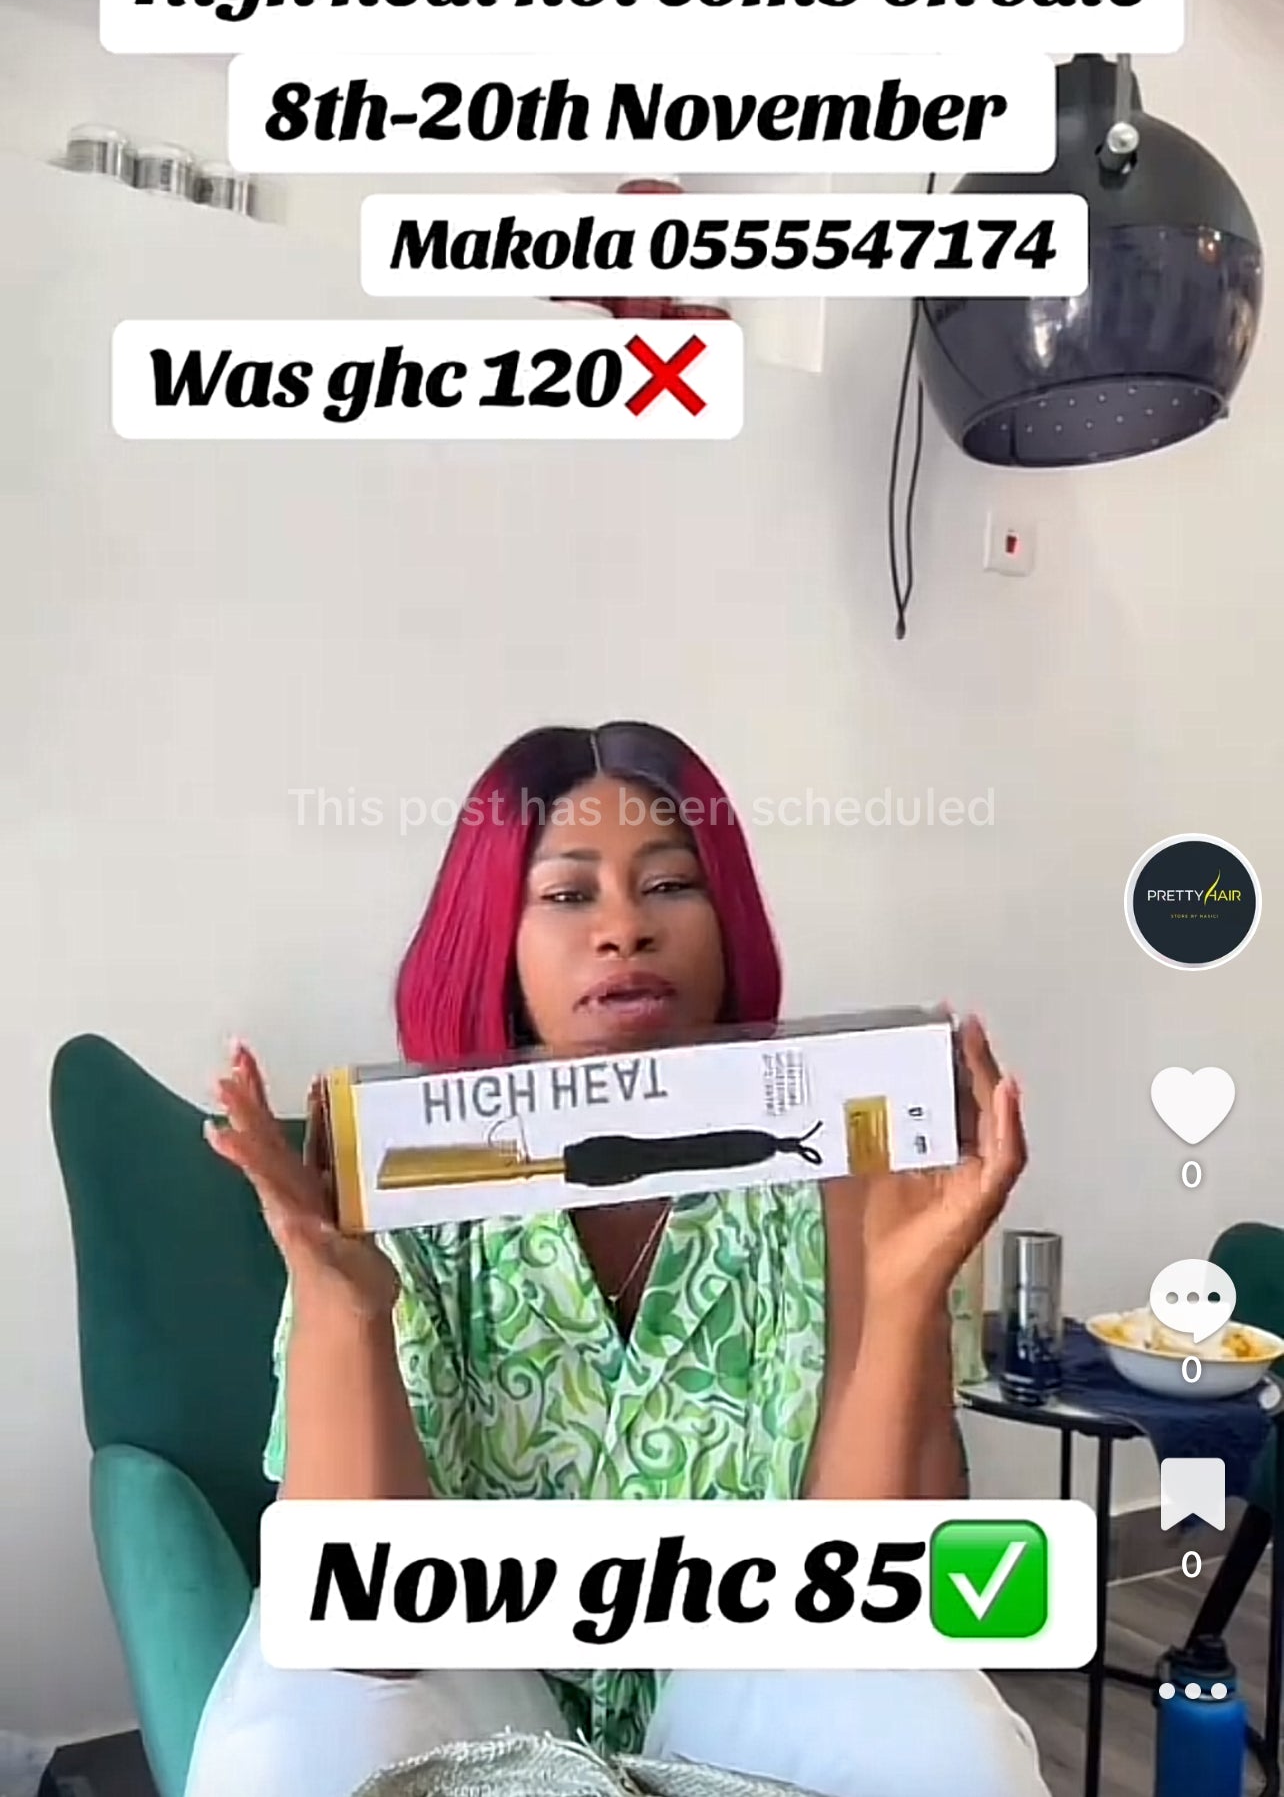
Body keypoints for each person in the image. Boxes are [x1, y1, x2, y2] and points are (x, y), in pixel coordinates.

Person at [185, 721, 1049, 1797]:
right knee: (286, 1743)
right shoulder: (397, 1174)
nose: (627, 929)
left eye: (671, 885)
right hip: (467, 1665)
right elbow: (364, 1630)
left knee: (952, 1745)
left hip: (742, 1658)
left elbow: (865, 1610)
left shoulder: (853, 1163)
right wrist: (342, 1303)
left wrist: (911, 1287)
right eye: (568, 893)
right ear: (494, 940)